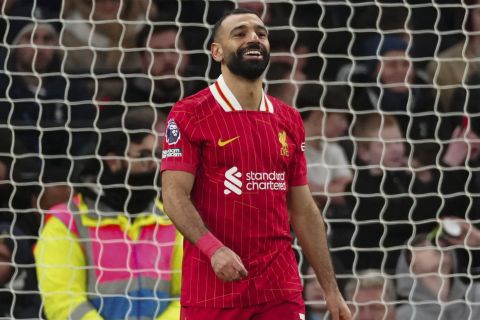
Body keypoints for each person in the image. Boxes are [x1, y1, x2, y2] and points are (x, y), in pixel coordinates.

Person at [161, 8, 350, 320]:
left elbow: (303, 209)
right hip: (212, 291)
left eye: (261, 33)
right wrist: (213, 249)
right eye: (240, 33)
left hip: (279, 291)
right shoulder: (189, 114)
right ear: (216, 51)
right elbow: (173, 195)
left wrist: (330, 289)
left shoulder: (289, 118)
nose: (254, 38)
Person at [34, 107, 183, 320]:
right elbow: (63, 302)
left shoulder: (171, 219)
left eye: (158, 155)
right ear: (112, 160)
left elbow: (188, 296)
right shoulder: (67, 221)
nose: (155, 165)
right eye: (143, 155)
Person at [329, 114, 440, 275]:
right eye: (384, 144)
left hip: (414, 265)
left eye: (397, 141)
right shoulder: (359, 188)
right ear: (364, 153)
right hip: (378, 270)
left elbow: (433, 211)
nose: (395, 148)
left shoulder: (405, 178)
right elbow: (402, 220)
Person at [0, 4, 97, 181]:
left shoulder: (72, 88)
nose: (40, 46)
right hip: (15, 182)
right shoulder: (3, 87)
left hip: (67, 181)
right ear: (15, 43)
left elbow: (84, 139)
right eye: (30, 37)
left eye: (47, 39)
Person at [395, 233, 480, 319]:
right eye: (422, 246)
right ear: (411, 266)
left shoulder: (476, 297)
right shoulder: (404, 316)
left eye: (440, 243)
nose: (435, 246)